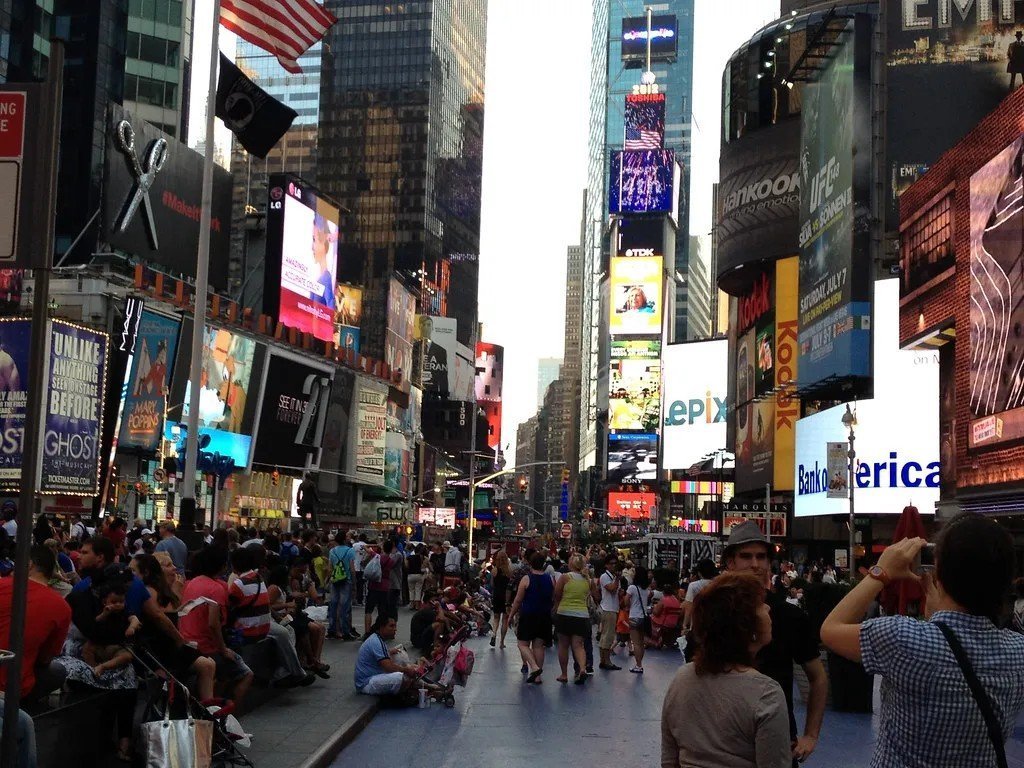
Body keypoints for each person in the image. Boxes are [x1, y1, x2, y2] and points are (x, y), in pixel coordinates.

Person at [821, 513, 1024, 767]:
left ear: (939, 570)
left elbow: (831, 629)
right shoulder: (1018, 652)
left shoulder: (903, 639)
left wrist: (880, 573)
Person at [720, 522, 826, 765]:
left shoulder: (789, 617)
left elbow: (818, 677)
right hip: (723, 742)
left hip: (778, 741)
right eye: (746, 556)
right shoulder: (713, 614)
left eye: (761, 557)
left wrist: (810, 735)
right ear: (730, 562)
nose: (755, 564)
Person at [661, 571, 790, 768]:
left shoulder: (683, 678)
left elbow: (670, 760)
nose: (768, 607)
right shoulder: (766, 693)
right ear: (746, 626)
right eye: (760, 604)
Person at [131, 554, 216, 702]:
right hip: (160, 648)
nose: (174, 568)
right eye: (169, 565)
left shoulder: (162, 590)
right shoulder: (149, 590)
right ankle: (208, 707)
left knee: (209, 663)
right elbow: (161, 618)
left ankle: (207, 705)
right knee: (207, 665)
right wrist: (180, 639)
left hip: (167, 645)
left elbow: (169, 614)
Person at [178, 547, 254, 707]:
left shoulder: (190, 583)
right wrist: (223, 649)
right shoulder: (217, 588)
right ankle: (226, 716)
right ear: (221, 566)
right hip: (207, 647)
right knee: (246, 673)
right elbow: (213, 624)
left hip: (187, 644)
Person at [0, 545, 70, 702]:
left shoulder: (2, 585)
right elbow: (46, 658)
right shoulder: (61, 606)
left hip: (8, 685)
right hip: (13, 688)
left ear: (29, 564)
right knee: (58, 670)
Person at [508, 552, 554, 684]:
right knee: (539, 646)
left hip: (528, 615)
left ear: (530, 563)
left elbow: (518, 600)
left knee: (522, 644)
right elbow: (554, 596)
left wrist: (511, 615)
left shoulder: (526, 579)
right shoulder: (550, 579)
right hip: (544, 616)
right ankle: (538, 676)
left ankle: (533, 667)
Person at [354, 615, 419, 696]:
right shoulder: (376, 642)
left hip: (372, 676)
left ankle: (417, 687)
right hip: (366, 683)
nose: (395, 629)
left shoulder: (378, 639)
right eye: (391, 626)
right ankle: (403, 695)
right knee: (401, 677)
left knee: (397, 656)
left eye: (395, 626)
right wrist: (406, 670)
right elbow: (388, 667)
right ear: (382, 627)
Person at [553, 553, 591, 684]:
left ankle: (564, 674)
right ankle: (582, 668)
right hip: (582, 615)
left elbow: (557, 594)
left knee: (563, 645)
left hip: (564, 613)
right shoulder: (587, 579)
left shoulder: (565, 577)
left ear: (571, 564)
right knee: (579, 646)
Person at [597, 554, 622, 671]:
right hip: (608, 608)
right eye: (611, 563)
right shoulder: (605, 577)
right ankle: (607, 661)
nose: (614, 566)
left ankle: (603, 660)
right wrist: (617, 580)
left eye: (615, 563)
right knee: (608, 636)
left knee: (605, 635)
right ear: (606, 565)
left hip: (612, 607)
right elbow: (611, 589)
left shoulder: (613, 577)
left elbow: (616, 591)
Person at [626, 567, 651, 674]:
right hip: (643, 617)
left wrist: (628, 607)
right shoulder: (647, 589)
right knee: (641, 643)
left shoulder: (632, 587)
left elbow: (626, 599)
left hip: (634, 616)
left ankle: (638, 665)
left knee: (635, 643)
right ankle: (640, 664)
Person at [682, 558, 716, 633]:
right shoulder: (719, 584)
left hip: (697, 621)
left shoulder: (693, 586)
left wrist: (684, 624)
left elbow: (689, 606)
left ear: (699, 573)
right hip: (715, 621)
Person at [363, 545, 391, 636]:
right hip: (384, 587)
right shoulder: (391, 560)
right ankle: (381, 631)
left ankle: (367, 632)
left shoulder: (377, 557)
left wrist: (367, 546)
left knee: (368, 610)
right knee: (382, 611)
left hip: (374, 586)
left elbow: (369, 551)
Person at [489, 550, 512, 649]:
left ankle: (494, 634)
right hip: (506, 596)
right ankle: (502, 642)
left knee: (496, 617)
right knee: (505, 620)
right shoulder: (509, 571)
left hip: (497, 595)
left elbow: (492, 584)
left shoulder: (494, 570)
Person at [650, 584, 682, 649]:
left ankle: (653, 639)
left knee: (649, 619)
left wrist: (653, 608)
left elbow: (656, 613)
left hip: (663, 623)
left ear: (664, 592)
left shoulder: (663, 600)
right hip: (673, 623)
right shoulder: (676, 600)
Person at [407, 544, 426, 610]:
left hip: (410, 575)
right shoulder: (421, 557)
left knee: (411, 590)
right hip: (419, 575)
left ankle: (411, 605)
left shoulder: (409, 557)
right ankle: (417, 606)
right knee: (418, 590)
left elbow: (406, 565)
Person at [352, 534, 368, 606]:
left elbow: (351, 555)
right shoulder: (367, 546)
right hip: (363, 568)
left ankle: (353, 599)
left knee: (354, 583)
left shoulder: (354, 545)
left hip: (355, 566)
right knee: (361, 584)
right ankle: (360, 599)